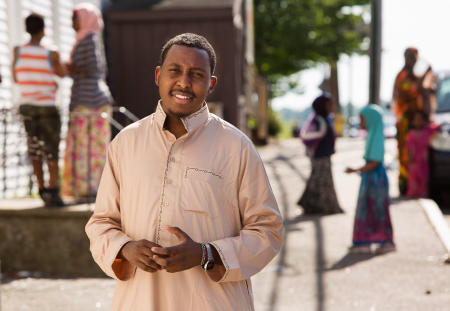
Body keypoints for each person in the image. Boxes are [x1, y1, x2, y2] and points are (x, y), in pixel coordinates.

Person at [85, 33, 283, 310]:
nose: (184, 82)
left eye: (196, 74)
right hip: (140, 301)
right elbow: (101, 223)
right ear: (158, 76)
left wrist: (206, 253)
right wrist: (125, 248)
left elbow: (268, 231)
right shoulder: (125, 143)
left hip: (213, 303)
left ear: (210, 84)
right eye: (174, 71)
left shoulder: (235, 147)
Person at [12, 13, 66, 207]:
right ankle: (53, 190)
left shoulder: (17, 51)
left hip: (27, 106)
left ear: (27, 29)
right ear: (43, 30)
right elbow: (62, 73)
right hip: (47, 107)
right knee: (51, 149)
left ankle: (41, 189)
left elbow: (17, 78)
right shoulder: (51, 52)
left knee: (34, 149)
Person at [61, 3, 113, 202]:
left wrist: (72, 68)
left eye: (75, 18)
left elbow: (93, 67)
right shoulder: (86, 39)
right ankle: (87, 188)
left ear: (84, 19)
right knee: (90, 147)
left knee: (86, 147)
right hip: (91, 100)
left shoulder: (88, 40)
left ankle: (90, 189)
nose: (72, 23)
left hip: (89, 102)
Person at [345, 105, 395, 254]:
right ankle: (364, 241)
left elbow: (374, 161)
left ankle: (382, 241)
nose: (360, 123)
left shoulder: (377, 136)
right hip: (371, 178)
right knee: (368, 209)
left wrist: (355, 169)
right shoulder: (372, 134)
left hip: (376, 179)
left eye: (362, 119)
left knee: (376, 210)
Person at [391, 47, 436, 195]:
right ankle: (405, 186)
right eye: (406, 56)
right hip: (404, 122)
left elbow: (428, 95)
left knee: (421, 158)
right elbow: (395, 98)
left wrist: (427, 117)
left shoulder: (423, 74)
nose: (409, 59)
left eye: (412, 56)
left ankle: (422, 188)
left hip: (419, 121)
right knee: (404, 155)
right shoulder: (401, 76)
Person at [297, 94, 343, 215]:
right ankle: (324, 207)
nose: (331, 107)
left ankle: (316, 206)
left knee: (320, 180)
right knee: (320, 180)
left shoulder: (325, 118)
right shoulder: (319, 119)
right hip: (319, 155)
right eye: (328, 104)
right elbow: (320, 134)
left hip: (324, 154)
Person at [406, 110, 440, 198]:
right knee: (413, 181)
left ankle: (422, 197)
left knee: (424, 181)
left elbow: (436, 128)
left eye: (420, 119)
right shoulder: (411, 134)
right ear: (413, 121)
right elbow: (409, 148)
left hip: (424, 162)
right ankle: (413, 197)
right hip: (414, 162)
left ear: (424, 121)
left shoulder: (427, 131)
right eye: (416, 119)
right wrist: (409, 159)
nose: (418, 121)